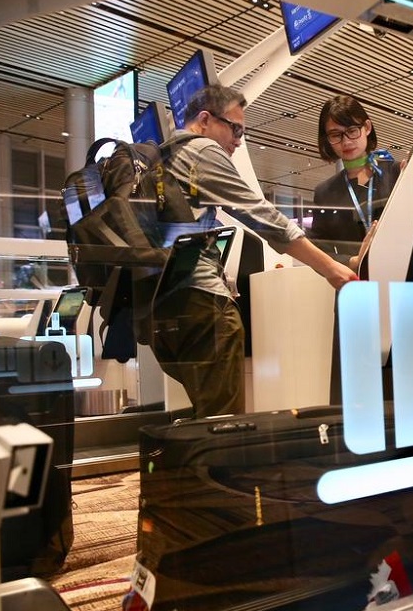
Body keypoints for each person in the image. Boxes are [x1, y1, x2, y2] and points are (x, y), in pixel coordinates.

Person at [150, 84, 357, 418]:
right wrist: (330, 268)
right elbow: (262, 217)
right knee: (223, 421)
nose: (238, 140)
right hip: (202, 305)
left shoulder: (166, 155)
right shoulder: (202, 150)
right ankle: (217, 471)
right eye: (235, 128)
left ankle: (195, 469)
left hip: (163, 306)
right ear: (205, 120)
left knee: (205, 415)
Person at [310, 95, 403, 264]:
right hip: (352, 282)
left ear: (367, 127)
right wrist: (352, 262)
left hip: (400, 277)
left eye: (352, 131)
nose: (346, 141)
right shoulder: (324, 192)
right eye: (335, 135)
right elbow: (318, 249)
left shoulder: (396, 173)